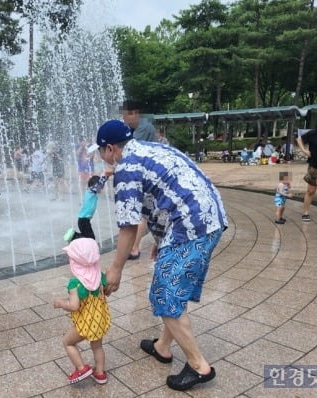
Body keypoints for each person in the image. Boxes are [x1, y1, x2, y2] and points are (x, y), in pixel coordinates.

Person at [97, 120, 227, 391]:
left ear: (110, 149)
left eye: (100, 152)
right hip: (210, 218)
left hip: (189, 227)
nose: (101, 158)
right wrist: (162, 239)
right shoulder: (152, 148)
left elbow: (128, 226)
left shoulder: (127, 168)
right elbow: (164, 193)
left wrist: (116, 269)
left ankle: (198, 366)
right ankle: (163, 347)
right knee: (175, 290)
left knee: (164, 294)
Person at [54, 238, 110, 385]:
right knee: (97, 346)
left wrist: (60, 303)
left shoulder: (75, 284)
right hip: (99, 320)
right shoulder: (100, 276)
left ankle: (81, 368)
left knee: (68, 342)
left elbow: (74, 306)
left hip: (84, 323)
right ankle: (100, 374)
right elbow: (106, 292)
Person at [121, 100, 157, 260]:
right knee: (144, 210)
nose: (123, 119)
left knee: (143, 212)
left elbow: (129, 147)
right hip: (144, 172)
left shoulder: (143, 128)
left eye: (125, 115)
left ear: (134, 113)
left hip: (148, 172)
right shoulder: (137, 127)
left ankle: (134, 248)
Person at [64, 168, 112, 242]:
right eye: (100, 187)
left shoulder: (91, 192)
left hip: (84, 220)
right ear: (94, 185)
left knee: (89, 237)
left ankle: (75, 236)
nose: (102, 189)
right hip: (83, 220)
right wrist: (104, 176)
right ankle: (74, 236)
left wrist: (107, 177)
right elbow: (99, 186)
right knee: (90, 238)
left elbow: (100, 185)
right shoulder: (90, 191)